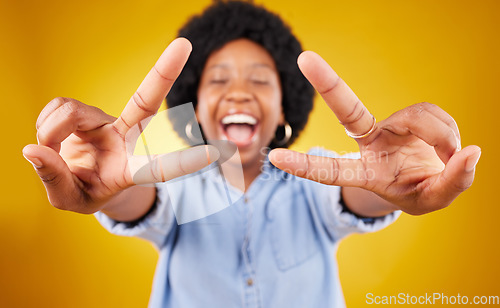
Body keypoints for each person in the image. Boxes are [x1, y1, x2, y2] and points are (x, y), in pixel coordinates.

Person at [22, 1, 480, 307]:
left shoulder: (314, 179)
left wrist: (395, 187)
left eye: (260, 80)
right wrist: (103, 191)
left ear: (285, 107)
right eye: (218, 80)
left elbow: (358, 194)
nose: (239, 92)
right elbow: (138, 203)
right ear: (194, 107)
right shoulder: (176, 186)